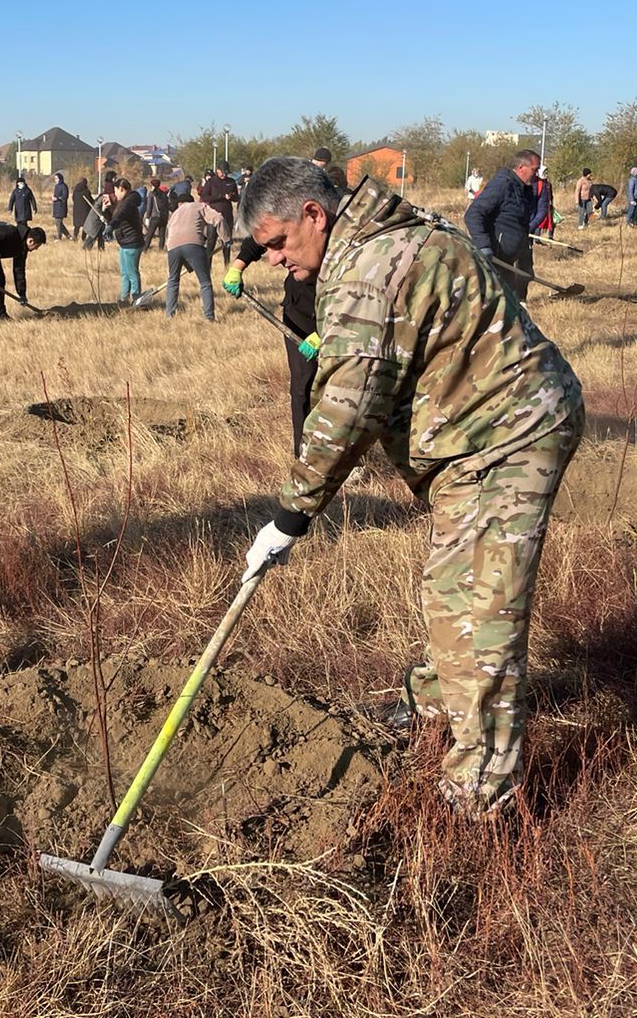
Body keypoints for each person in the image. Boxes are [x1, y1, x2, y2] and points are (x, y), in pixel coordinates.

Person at [237, 158, 584, 818]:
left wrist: (290, 514)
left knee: (484, 614)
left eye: (278, 242)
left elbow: (349, 404)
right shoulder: (377, 233)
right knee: (448, 585)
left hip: (509, 432)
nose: (276, 258)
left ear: (314, 214)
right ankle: (433, 704)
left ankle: (481, 794)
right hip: (473, 434)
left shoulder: (370, 267)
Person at [462, 149, 540, 300]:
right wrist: (484, 245)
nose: (536, 175)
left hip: (512, 257)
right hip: (496, 258)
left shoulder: (525, 189)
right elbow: (473, 214)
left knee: (513, 299)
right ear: (521, 168)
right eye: (534, 170)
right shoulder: (502, 185)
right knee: (493, 301)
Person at [164, 193, 221, 321]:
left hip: (172, 248)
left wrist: (188, 263)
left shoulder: (174, 215)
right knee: (205, 282)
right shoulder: (198, 206)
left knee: (173, 280)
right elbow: (219, 218)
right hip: (193, 245)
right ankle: (209, 317)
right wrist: (226, 239)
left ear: (179, 203)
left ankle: (169, 315)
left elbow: (173, 236)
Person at [107, 176, 145, 301]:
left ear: (122, 189)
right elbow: (118, 215)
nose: (114, 193)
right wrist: (109, 208)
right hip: (125, 243)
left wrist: (111, 226)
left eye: (116, 190)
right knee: (124, 274)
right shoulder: (124, 202)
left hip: (132, 243)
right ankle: (123, 299)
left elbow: (121, 215)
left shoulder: (129, 203)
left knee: (132, 273)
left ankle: (136, 299)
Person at [200, 160, 241, 266]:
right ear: (217, 170)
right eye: (222, 172)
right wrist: (220, 196)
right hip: (213, 216)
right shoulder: (211, 182)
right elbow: (204, 196)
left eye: (226, 172)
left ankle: (226, 265)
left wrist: (232, 196)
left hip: (227, 215)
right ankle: (208, 266)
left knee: (226, 242)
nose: (224, 174)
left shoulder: (231, 182)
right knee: (211, 241)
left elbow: (237, 198)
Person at [143, 176, 171, 250]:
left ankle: (145, 248)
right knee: (162, 235)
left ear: (152, 185)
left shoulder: (151, 194)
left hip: (155, 217)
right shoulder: (164, 194)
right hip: (163, 217)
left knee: (150, 234)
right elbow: (167, 206)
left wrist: (147, 217)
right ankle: (161, 249)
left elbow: (149, 207)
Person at [80, 176, 108, 250]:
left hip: (100, 221)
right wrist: (101, 215)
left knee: (100, 234)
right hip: (96, 220)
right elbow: (96, 206)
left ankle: (101, 249)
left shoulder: (106, 196)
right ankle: (85, 248)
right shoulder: (103, 197)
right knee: (93, 235)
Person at [531, 168, 554, 235]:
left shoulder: (547, 184)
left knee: (541, 220)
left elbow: (550, 195)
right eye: (544, 173)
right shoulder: (533, 183)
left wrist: (551, 202)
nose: (546, 174)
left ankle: (548, 235)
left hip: (544, 206)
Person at [51, 171, 70, 240]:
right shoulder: (56, 186)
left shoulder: (64, 186)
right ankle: (68, 236)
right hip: (56, 207)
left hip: (61, 207)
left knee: (58, 222)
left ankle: (59, 237)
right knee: (58, 223)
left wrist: (58, 198)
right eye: (55, 179)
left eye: (57, 178)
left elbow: (65, 196)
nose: (56, 180)